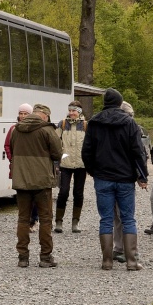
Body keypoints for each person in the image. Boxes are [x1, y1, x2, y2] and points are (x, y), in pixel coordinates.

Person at [82, 89, 149, 271]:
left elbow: (86, 150)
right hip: (125, 177)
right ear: (120, 103)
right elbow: (138, 152)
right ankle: (132, 261)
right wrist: (142, 175)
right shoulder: (129, 122)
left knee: (106, 219)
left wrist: (92, 170)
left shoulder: (94, 122)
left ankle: (107, 261)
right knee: (128, 219)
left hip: (103, 177)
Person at [10, 103, 63, 268]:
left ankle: (23, 257)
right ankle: (45, 257)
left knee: (23, 219)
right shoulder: (47, 130)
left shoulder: (16, 129)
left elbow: (12, 149)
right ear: (45, 116)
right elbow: (57, 153)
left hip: (21, 180)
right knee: (46, 219)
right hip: (42, 181)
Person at [112, 101, 150, 262]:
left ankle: (126, 249)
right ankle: (122, 248)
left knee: (123, 215)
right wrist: (141, 176)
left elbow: (141, 154)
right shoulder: (115, 128)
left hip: (120, 177)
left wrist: (141, 176)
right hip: (121, 176)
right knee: (119, 215)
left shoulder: (134, 129)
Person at [4, 103, 39, 232]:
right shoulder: (13, 129)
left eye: (25, 114)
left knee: (35, 196)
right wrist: (12, 158)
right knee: (21, 195)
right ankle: (23, 221)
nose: (23, 116)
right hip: (18, 167)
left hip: (33, 168)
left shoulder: (36, 129)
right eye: (21, 113)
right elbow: (7, 145)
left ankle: (34, 219)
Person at [55, 100, 88, 234]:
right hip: (65, 164)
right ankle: (58, 221)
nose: (71, 113)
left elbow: (90, 145)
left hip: (81, 164)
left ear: (79, 112)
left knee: (78, 193)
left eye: (74, 110)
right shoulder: (62, 124)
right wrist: (56, 163)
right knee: (63, 192)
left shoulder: (86, 125)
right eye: (70, 110)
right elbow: (56, 143)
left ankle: (75, 222)